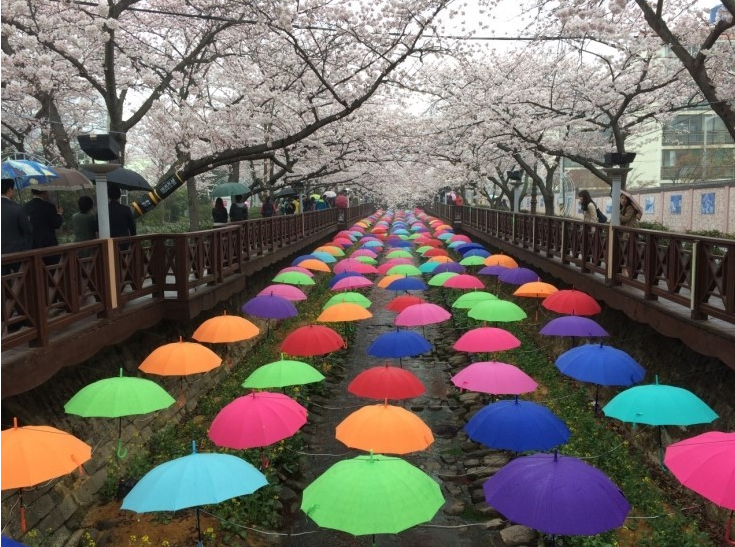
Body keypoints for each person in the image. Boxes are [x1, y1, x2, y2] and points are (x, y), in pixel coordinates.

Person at [1, 179, 33, 274]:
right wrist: (28, 221)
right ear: (10, 190)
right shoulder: (17, 208)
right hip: (17, 253)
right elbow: (28, 230)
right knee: (22, 279)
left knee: (4, 281)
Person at [25, 188, 63, 265]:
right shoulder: (49, 206)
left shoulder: (25, 206)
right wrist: (59, 214)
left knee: (37, 269)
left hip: (33, 245)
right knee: (52, 268)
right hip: (49, 245)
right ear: (44, 192)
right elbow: (56, 224)